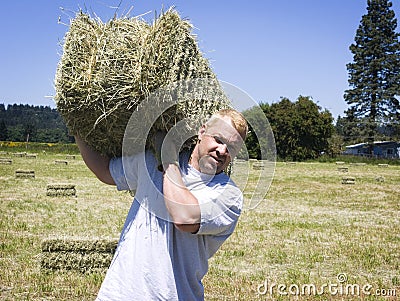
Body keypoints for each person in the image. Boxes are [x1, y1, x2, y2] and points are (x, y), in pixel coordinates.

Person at [75, 108, 248, 301]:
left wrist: (167, 158)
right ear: (201, 132)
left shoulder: (228, 195)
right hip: (118, 293)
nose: (222, 151)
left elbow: (184, 218)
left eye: (231, 148)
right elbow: (106, 171)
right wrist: (76, 125)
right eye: (218, 139)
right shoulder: (150, 161)